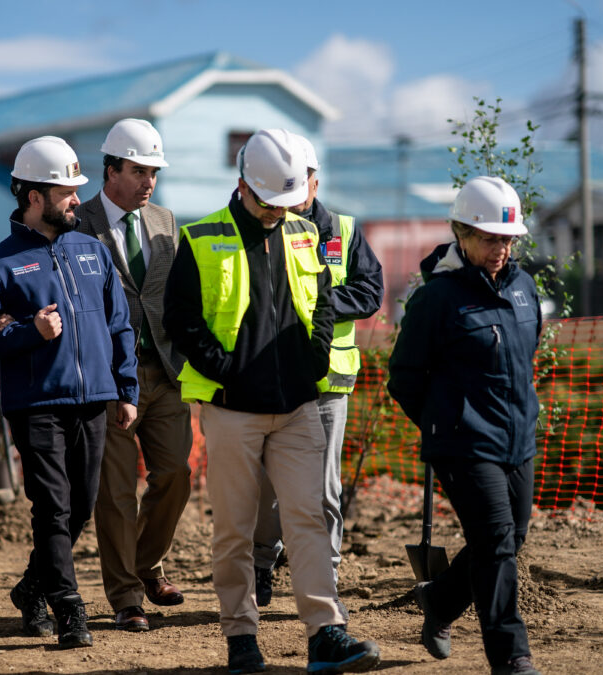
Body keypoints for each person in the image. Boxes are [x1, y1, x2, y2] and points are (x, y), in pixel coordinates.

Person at [164, 128, 381, 674]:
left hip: (299, 406)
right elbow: (181, 322)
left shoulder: (306, 233)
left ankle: (326, 633)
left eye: (285, 203)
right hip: (232, 410)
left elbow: (325, 305)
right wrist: (228, 372)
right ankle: (241, 637)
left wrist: (311, 368)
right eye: (267, 202)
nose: (276, 213)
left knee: (309, 518)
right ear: (242, 186)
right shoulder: (201, 237)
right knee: (235, 528)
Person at [0, 136, 139, 649]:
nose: (74, 200)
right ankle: (69, 608)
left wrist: (126, 388)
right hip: (36, 404)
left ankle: (30, 587)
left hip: (94, 402)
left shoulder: (94, 251)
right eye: (65, 191)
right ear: (33, 196)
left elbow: (120, 325)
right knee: (53, 508)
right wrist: (28, 332)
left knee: (81, 506)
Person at [387, 176, 542, 675]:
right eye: (489, 238)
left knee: (507, 538)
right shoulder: (437, 299)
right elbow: (405, 378)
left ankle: (441, 603)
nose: (501, 248)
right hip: (463, 443)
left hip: (517, 438)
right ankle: (511, 656)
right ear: (460, 232)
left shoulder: (523, 288)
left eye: (507, 239)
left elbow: (524, 355)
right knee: (497, 542)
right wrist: (445, 424)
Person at [252, 135, 384, 615]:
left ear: (314, 180)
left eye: (300, 182)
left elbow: (370, 291)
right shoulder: (267, 226)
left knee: (325, 488)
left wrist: (322, 303)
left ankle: (324, 579)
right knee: (268, 489)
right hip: (275, 379)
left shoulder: (343, 231)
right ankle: (261, 564)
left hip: (328, 382)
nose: (293, 193)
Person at [76, 119, 192, 633]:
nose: (149, 181)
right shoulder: (77, 224)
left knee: (176, 477)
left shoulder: (166, 222)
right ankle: (125, 596)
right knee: (117, 493)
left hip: (164, 373)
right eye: (140, 171)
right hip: (107, 380)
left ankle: (146, 565)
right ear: (112, 170)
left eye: (154, 172)